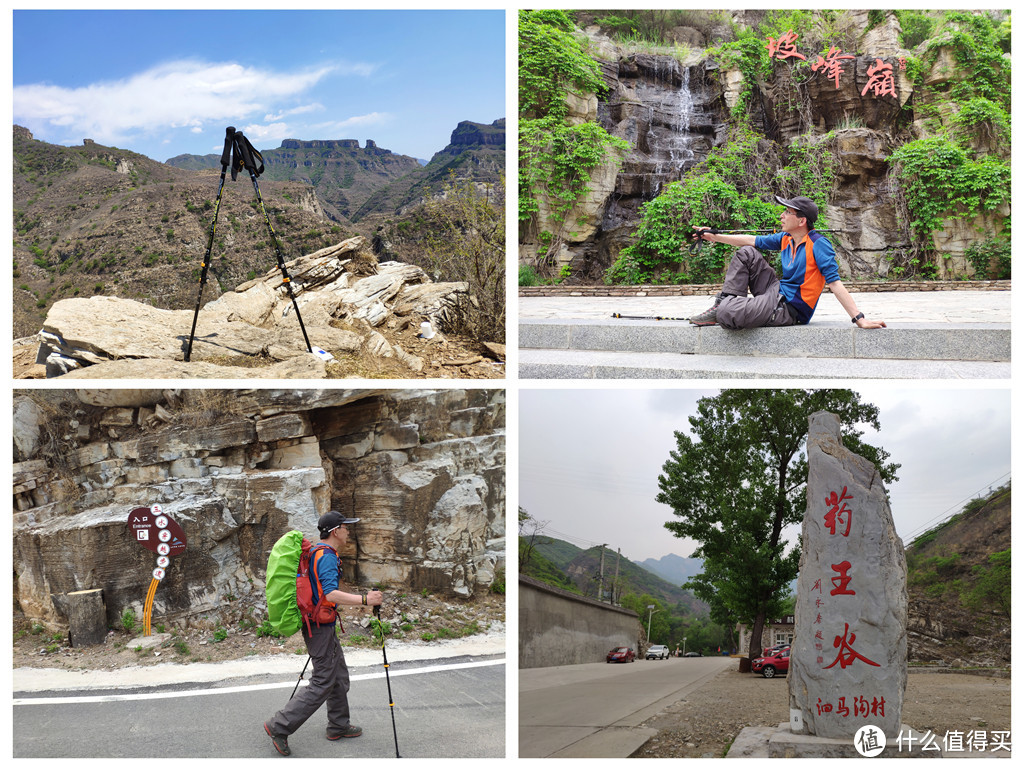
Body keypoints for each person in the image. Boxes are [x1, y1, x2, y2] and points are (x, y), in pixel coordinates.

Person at [264, 511, 384, 757]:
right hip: (319, 628)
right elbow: (330, 594)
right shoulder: (326, 557)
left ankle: (338, 725)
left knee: (338, 676)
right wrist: (365, 599)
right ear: (335, 531)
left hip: (323, 625)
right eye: (345, 526)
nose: (348, 531)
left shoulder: (321, 552)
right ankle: (279, 726)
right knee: (322, 681)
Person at [689, 195, 887, 330]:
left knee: (727, 311)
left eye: (787, 212)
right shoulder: (786, 238)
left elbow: (835, 283)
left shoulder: (819, 245)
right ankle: (724, 305)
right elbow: (750, 240)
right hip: (776, 291)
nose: (781, 216)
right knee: (746, 253)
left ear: (801, 221)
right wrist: (713, 236)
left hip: (790, 308)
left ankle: (725, 308)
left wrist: (859, 319)